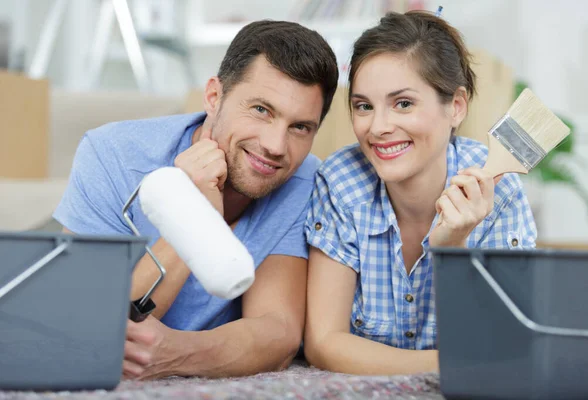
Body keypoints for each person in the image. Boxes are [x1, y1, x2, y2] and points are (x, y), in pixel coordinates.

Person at [53, 20, 338, 380]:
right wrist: (189, 213)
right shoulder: (111, 156)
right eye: (261, 110)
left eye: (300, 127)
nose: (276, 146)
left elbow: (277, 333)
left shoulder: (303, 179)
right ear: (213, 97)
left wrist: (175, 354)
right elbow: (86, 330)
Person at [303, 11, 537, 376]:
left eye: (403, 103)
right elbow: (323, 342)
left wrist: (452, 247)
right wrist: (446, 363)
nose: (378, 128)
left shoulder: (500, 188)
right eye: (364, 106)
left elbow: (502, 343)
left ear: (456, 106)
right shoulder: (340, 181)